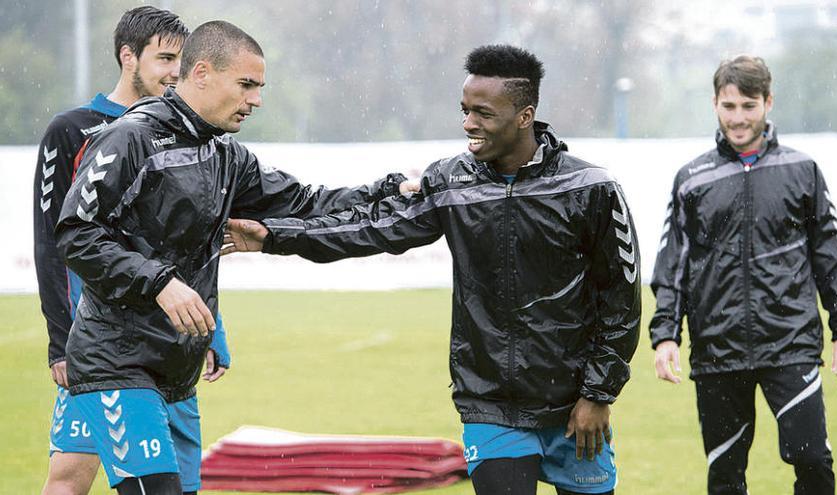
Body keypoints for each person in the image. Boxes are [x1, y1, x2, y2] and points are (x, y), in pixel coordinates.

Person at [223, 44, 641, 495]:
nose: (468, 125)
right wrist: (277, 237)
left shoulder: (590, 188)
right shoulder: (450, 181)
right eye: (464, 110)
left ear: (525, 116)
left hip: (574, 405)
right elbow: (371, 228)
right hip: (489, 405)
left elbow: (621, 298)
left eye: (483, 113)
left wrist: (598, 395)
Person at [55, 20, 415, 495]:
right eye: (246, 85)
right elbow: (76, 233)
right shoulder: (129, 138)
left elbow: (304, 202)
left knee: (70, 483)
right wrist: (160, 281)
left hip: (176, 371)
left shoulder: (228, 155)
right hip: (116, 362)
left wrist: (387, 191)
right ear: (201, 73)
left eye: (260, 87)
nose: (256, 100)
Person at [33, 7, 232, 495]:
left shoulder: (193, 133)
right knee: (69, 475)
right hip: (103, 345)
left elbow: (195, 246)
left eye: (182, 61)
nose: (174, 72)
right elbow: (54, 241)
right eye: (165, 58)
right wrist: (61, 341)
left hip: (173, 340)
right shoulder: (74, 131)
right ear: (128, 57)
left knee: (180, 484)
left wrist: (213, 329)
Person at [649, 55, 837, 495]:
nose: (739, 117)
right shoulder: (692, 179)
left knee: (813, 461)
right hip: (718, 349)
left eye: (749, 105)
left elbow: (831, 255)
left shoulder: (801, 170)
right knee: (726, 478)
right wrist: (666, 334)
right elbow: (674, 262)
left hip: (790, 343)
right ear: (715, 105)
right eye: (729, 107)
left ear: (768, 102)